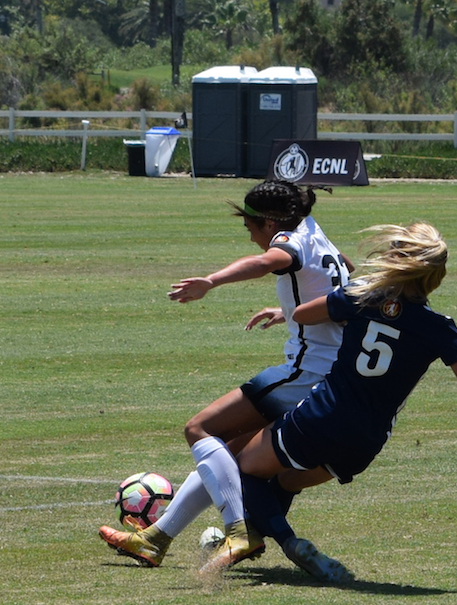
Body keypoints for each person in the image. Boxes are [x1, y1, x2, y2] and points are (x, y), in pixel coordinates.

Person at [195, 222, 457, 577]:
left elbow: (305, 315)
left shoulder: (363, 297)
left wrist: (304, 308)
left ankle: (287, 541)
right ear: (435, 278)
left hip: (321, 416)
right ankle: (247, 545)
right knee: (286, 481)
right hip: (367, 440)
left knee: (242, 467)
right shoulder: (441, 329)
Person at [99, 179, 355, 580]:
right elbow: (342, 280)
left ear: (269, 222)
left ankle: (238, 532)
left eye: (250, 227)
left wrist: (211, 282)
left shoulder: (288, 239)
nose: (251, 236)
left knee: (199, 429)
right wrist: (289, 309)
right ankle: (155, 539)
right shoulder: (315, 231)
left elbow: (271, 260)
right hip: (330, 371)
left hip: (307, 372)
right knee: (226, 450)